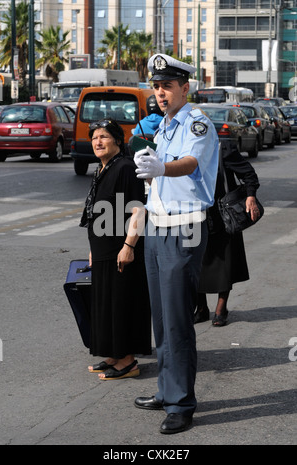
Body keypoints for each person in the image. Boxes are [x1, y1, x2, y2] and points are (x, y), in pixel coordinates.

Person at [133, 54, 219, 434]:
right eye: (156, 87)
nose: (160, 93)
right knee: (162, 317)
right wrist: (149, 170)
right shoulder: (165, 126)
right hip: (157, 226)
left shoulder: (197, 123)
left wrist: (161, 168)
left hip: (184, 228)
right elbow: (162, 172)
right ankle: (167, 391)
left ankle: (181, 403)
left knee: (179, 319)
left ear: (186, 87)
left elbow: (190, 164)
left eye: (167, 86)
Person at [80, 119, 151, 380]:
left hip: (120, 249)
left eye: (104, 137)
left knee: (121, 304)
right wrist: (93, 248)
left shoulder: (124, 167)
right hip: (103, 248)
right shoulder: (103, 168)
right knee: (106, 305)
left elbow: (137, 209)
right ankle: (113, 354)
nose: (98, 142)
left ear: (118, 141)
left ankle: (128, 361)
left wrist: (128, 246)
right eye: (95, 137)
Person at [194, 140, 261, 327]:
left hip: (223, 215)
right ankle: (200, 308)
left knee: (225, 263)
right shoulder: (184, 148)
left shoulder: (222, 149)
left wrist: (250, 196)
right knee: (197, 263)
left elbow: (249, 174)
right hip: (195, 215)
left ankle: (221, 308)